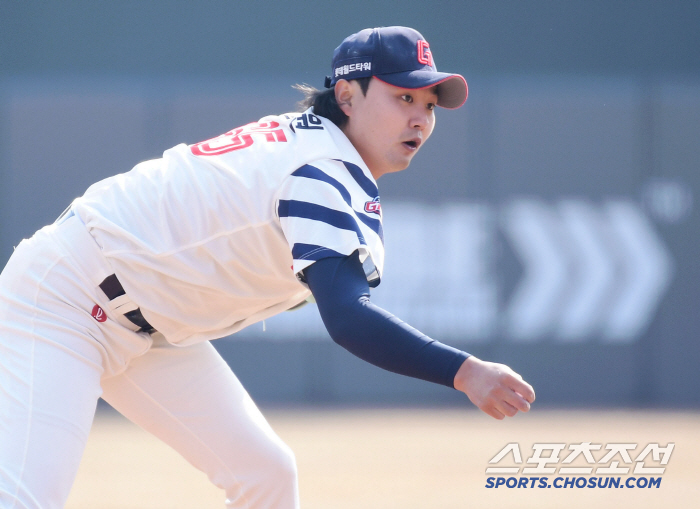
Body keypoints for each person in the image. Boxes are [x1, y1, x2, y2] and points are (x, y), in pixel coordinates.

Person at [0, 26, 535, 509]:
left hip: (143, 322)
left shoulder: (315, 145)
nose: (419, 116)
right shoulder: (320, 170)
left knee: (267, 476)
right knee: (26, 498)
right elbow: (348, 317)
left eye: (429, 104)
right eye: (402, 97)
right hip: (65, 300)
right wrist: (464, 371)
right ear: (347, 95)